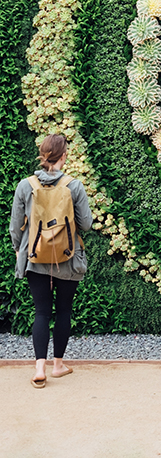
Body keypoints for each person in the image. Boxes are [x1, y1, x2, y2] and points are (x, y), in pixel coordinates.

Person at [10, 134, 93, 388]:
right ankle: (57, 365)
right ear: (64, 156)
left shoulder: (26, 185)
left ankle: (39, 368)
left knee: (41, 312)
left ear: (42, 155)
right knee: (64, 311)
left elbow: (15, 227)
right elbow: (87, 224)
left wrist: (19, 251)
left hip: (35, 257)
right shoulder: (74, 185)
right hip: (67, 259)